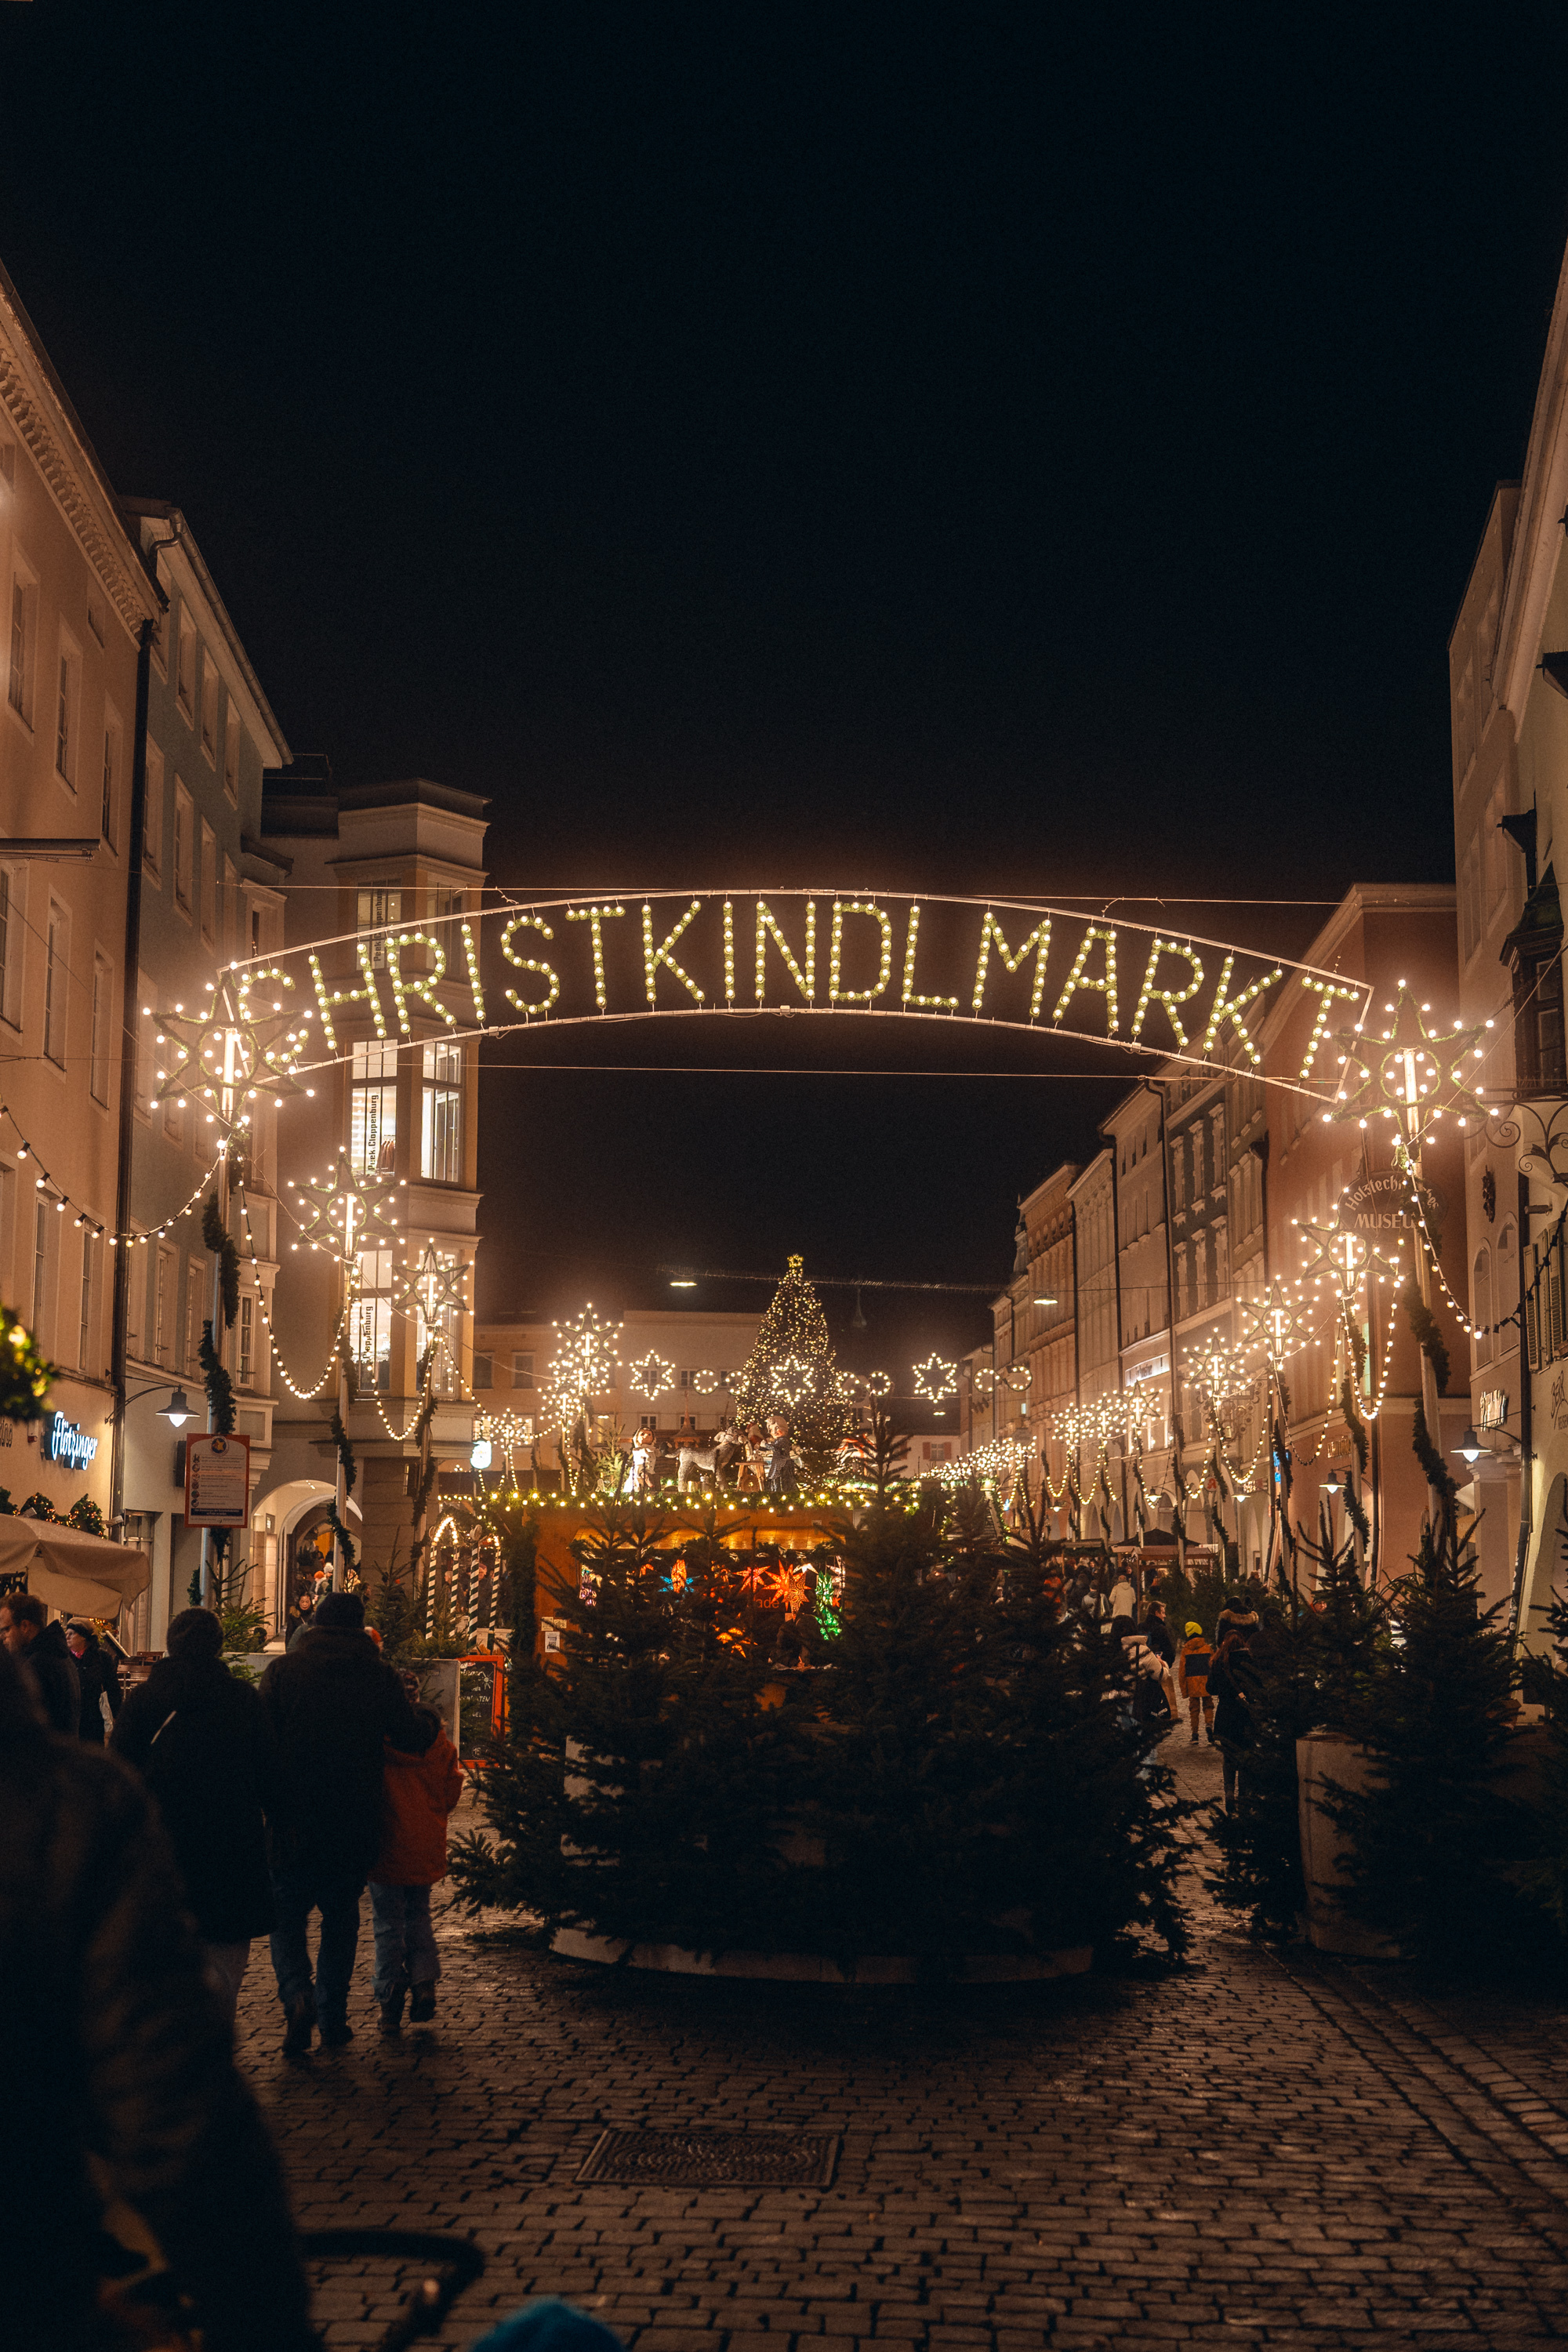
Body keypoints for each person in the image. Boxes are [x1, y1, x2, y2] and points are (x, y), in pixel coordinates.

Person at [0, 1637, 313, 2352]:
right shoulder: (62, 1802)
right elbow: (174, 2110)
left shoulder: (113, 1748)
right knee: (220, 1969)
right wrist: (262, 2318)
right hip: (25, 2285)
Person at [260, 1585, 433, 2056]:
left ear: (315, 1622)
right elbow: (410, 1735)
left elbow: (262, 1743)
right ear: (359, 1627)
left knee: (286, 1919)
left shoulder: (283, 1672)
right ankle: (332, 2018)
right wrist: (430, 1720)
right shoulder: (377, 1677)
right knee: (341, 1921)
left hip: (291, 1820)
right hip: (351, 1820)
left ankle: (297, 1993)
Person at [111, 1606, 275, 2022]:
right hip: (231, 1845)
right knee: (226, 1953)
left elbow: (119, 1772)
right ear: (218, 1647)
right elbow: (270, 1772)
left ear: (170, 1645)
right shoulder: (243, 1700)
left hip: (164, 1848)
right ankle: (215, 2031)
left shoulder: (147, 1700)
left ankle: (178, 2040)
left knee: (164, 1951)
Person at [368, 1700, 464, 2034]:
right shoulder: (442, 1749)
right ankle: (424, 1981)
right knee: (419, 1915)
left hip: (387, 1849)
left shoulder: (380, 1749)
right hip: (425, 1848)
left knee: (388, 1924)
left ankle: (390, 1997)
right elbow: (451, 1793)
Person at [0, 1587, 82, 1735]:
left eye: (5, 1629)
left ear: (25, 1626)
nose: (2, 1636)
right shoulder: (57, 1654)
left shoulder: (38, 1665)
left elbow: (24, 1730)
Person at [1209, 1628, 1261, 1814]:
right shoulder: (1250, 1660)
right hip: (1246, 1716)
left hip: (1225, 1716)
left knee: (1228, 1756)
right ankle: (1243, 1796)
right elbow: (1259, 1686)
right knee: (1246, 1756)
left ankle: (1229, 1792)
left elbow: (1211, 1688)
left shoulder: (1219, 1662)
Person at [66, 1619, 123, 1744]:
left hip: (94, 1718)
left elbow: (113, 1688)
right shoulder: (65, 1658)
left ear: (84, 1637)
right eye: (67, 1633)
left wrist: (115, 1715)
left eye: (72, 1633)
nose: (67, 1637)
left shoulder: (102, 1658)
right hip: (71, 1719)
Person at [1178, 1618, 1216, 1744]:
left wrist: (1184, 1690)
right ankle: (1209, 1725)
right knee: (1208, 1705)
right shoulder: (1207, 1648)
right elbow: (1213, 1665)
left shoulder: (1186, 1650)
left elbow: (1182, 1672)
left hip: (1191, 1682)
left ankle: (1195, 1735)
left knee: (1194, 1709)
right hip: (1207, 1681)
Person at [764, 1414, 799, 1496]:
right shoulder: (777, 1441)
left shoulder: (783, 1441)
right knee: (775, 1480)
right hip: (777, 1465)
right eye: (771, 1429)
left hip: (782, 1465)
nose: (774, 1432)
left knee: (781, 1481)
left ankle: (780, 1495)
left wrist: (765, 1445)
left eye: (777, 1428)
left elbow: (777, 1449)